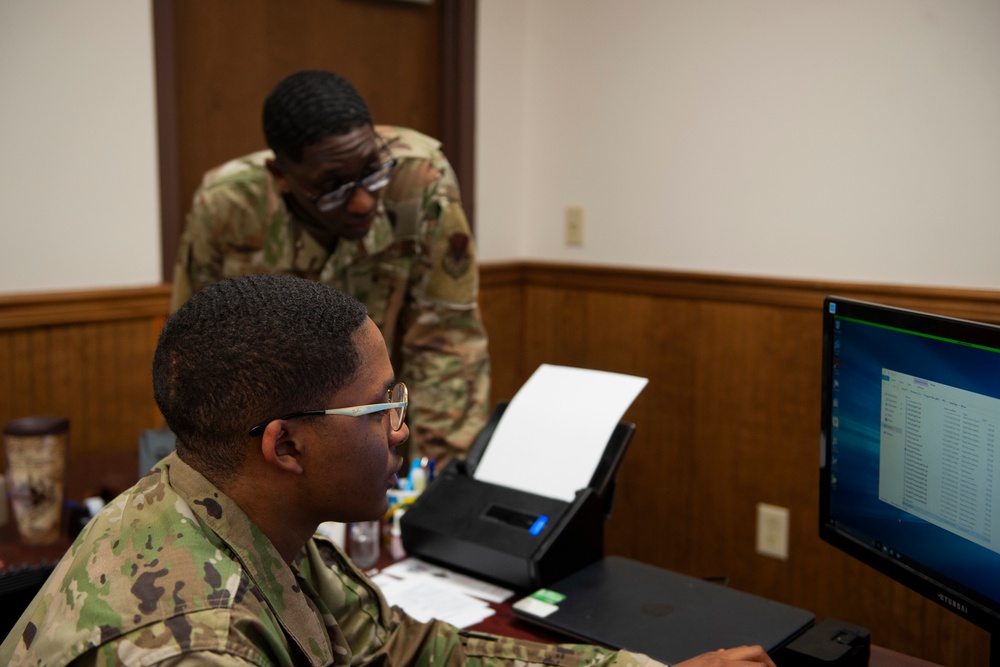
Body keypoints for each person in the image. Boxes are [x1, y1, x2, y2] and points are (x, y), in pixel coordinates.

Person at [1, 274, 776, 667]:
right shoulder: (195, 645)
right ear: (286, 446)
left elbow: (409, 653)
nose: (402, 430)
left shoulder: (242, 512)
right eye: (382, 408)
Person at [170, 69, 490, 465]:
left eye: (372, 172)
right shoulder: (228, 205)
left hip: (394, 410)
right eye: (333, 186)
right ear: (282, 178)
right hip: (275, 433)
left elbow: (447, 343)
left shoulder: (419, 179)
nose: (362, 202)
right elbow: (197, 356)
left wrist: (436, 474)